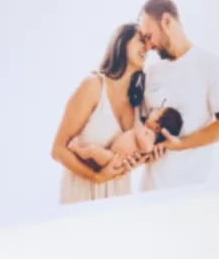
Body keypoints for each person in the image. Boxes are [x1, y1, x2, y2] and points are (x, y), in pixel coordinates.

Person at [138, 0, 219, 191]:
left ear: (167, 21)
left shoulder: (210, 64)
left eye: (149, 36)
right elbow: (142, 125)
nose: (148, 46)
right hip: (148, 190)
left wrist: (180, 144)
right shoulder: (151, 72)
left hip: (188, 190)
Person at [51, 23, 148, 204]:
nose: (147, 47)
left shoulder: (137, 104)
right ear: (122, 42)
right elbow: (58, 149)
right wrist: (95, 177)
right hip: (82, 194)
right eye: (141, 40)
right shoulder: (93, 86)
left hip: (119, 195)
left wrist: (133, 162)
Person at [68, 106, 183, 170]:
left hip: (115, 160)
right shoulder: (145, 130)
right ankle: (81, 151)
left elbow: (147, 148)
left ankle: (76, 149)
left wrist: (138, 130)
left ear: (157, 126)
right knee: (94, 151)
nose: (153, 110)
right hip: (112, 154)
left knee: (92, 150)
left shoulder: (150, 135)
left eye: (157, 112)